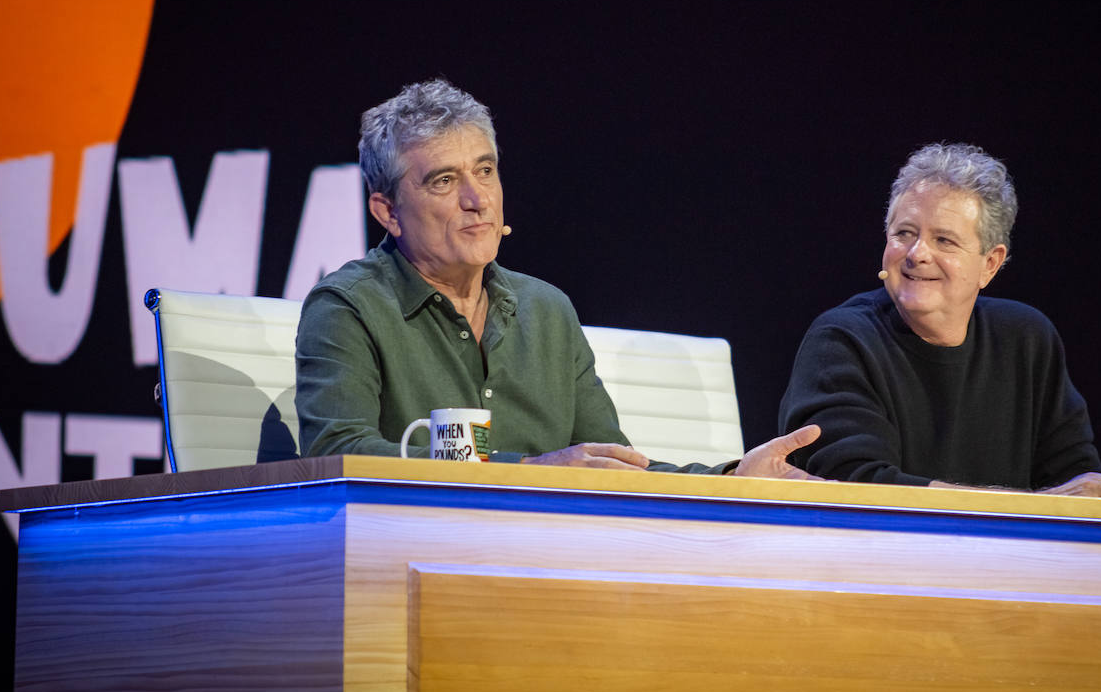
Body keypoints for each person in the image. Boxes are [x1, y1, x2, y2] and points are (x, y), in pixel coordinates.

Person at [295, 78, 817, 477]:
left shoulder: (545, 309)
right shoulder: (349, 306)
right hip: (406, 548)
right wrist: (527, 471)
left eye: (485, 170)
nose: (477, 199)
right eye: (444, 180)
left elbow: (614, 468)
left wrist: (732, 478)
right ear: (387, 211)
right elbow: (337, 451)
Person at [778, 142, 1101, 496]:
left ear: (990, 264)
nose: (918, 254)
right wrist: (1029, 506)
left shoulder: (1025, 338)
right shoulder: (842, 340)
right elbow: (856, 486)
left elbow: (1076, 478)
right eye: (904, 234)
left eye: (944, 240)